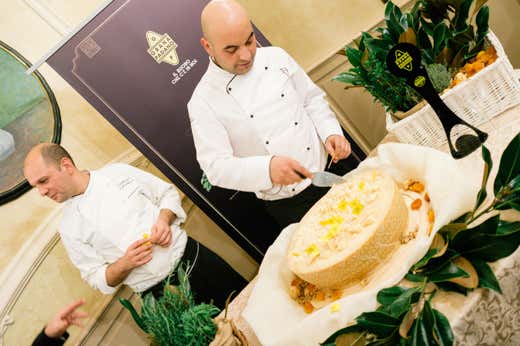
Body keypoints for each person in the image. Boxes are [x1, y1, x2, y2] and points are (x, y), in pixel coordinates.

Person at [188, 0, 353, 229]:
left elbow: (310, 100)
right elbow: (215, 167)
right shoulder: (202, 102)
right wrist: (267, 169)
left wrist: (330, 133)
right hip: (292, 205)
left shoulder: (276, 57)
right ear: (208, 47)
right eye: (231, 49)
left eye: (249, 41)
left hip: (331, 169)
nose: (246, 55)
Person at [23, 143, 247, 309]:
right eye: (36, 187)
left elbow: (166, 194)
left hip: (195, 261)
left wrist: (163, 220)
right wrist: (125, 264)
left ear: (66, 166)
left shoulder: (117, 173)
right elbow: (95, 277)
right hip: (157, 297)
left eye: (44, 181)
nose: (42, 192)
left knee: (251, 307)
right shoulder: (69, 227)